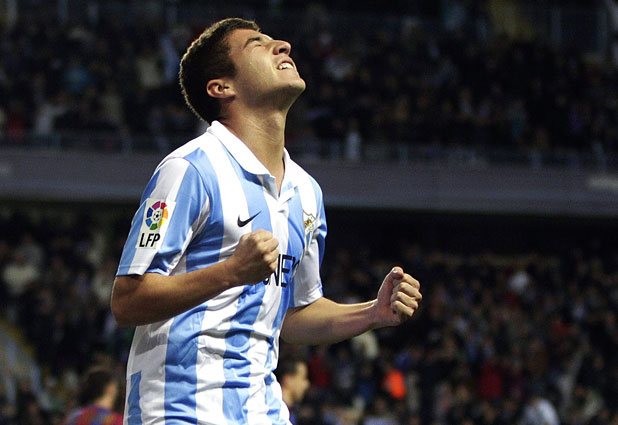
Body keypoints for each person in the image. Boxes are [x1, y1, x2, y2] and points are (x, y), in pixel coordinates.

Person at [111, 17, 422, 425]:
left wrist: (371, 314)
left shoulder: (306, 192)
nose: (283, 46)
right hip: (180, 410)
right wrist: (230, 272)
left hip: (263, 412)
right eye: (257, 44)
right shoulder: (189, 170)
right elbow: (127, 300)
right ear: (222, 87)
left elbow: (295, 316)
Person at [274, 358, 310, 424]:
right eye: (303, 378)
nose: (307, 384)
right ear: (288, 380)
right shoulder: (271, 411)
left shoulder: (293, 413)